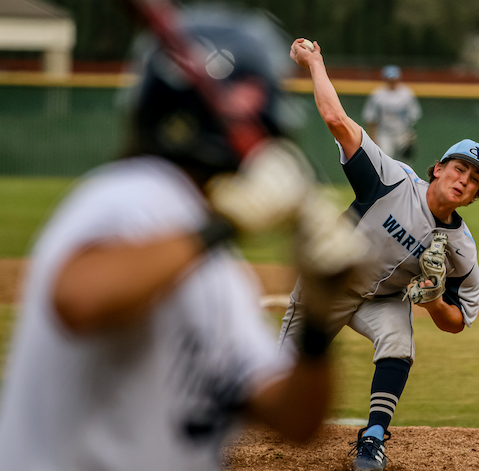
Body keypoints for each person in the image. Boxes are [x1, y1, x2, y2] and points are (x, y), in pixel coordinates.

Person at [0, 10, 366, 471]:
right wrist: (225, 222)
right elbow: (80, 299)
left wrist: (316, 322)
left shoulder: (217, 268)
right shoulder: (131, 195)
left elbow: (294, 420)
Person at [278, 38, 479, 471]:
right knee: (281, 385)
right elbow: (336, 120)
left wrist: (434, 302)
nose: (463, 180)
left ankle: (373, 439)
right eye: (458, 168)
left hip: (382, 301)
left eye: (473, 180)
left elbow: (459, 321)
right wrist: (315, 62)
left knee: (399, 341)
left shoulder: (462, 250)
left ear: (473, 197)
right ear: (438, 168)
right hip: (331, 285)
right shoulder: (391, 179)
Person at [362, 64, 422, 162]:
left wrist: (411, 136)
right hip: (384, 133)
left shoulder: (406, 93)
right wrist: (373, 138)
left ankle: (406, 178)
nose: (392, 81)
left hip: (402, 133)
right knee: (383, 160)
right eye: (389, 78)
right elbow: (370, 118)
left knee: (405, 163)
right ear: (385, 78)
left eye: (394, 78)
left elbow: (413, 116)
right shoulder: (377, 94)